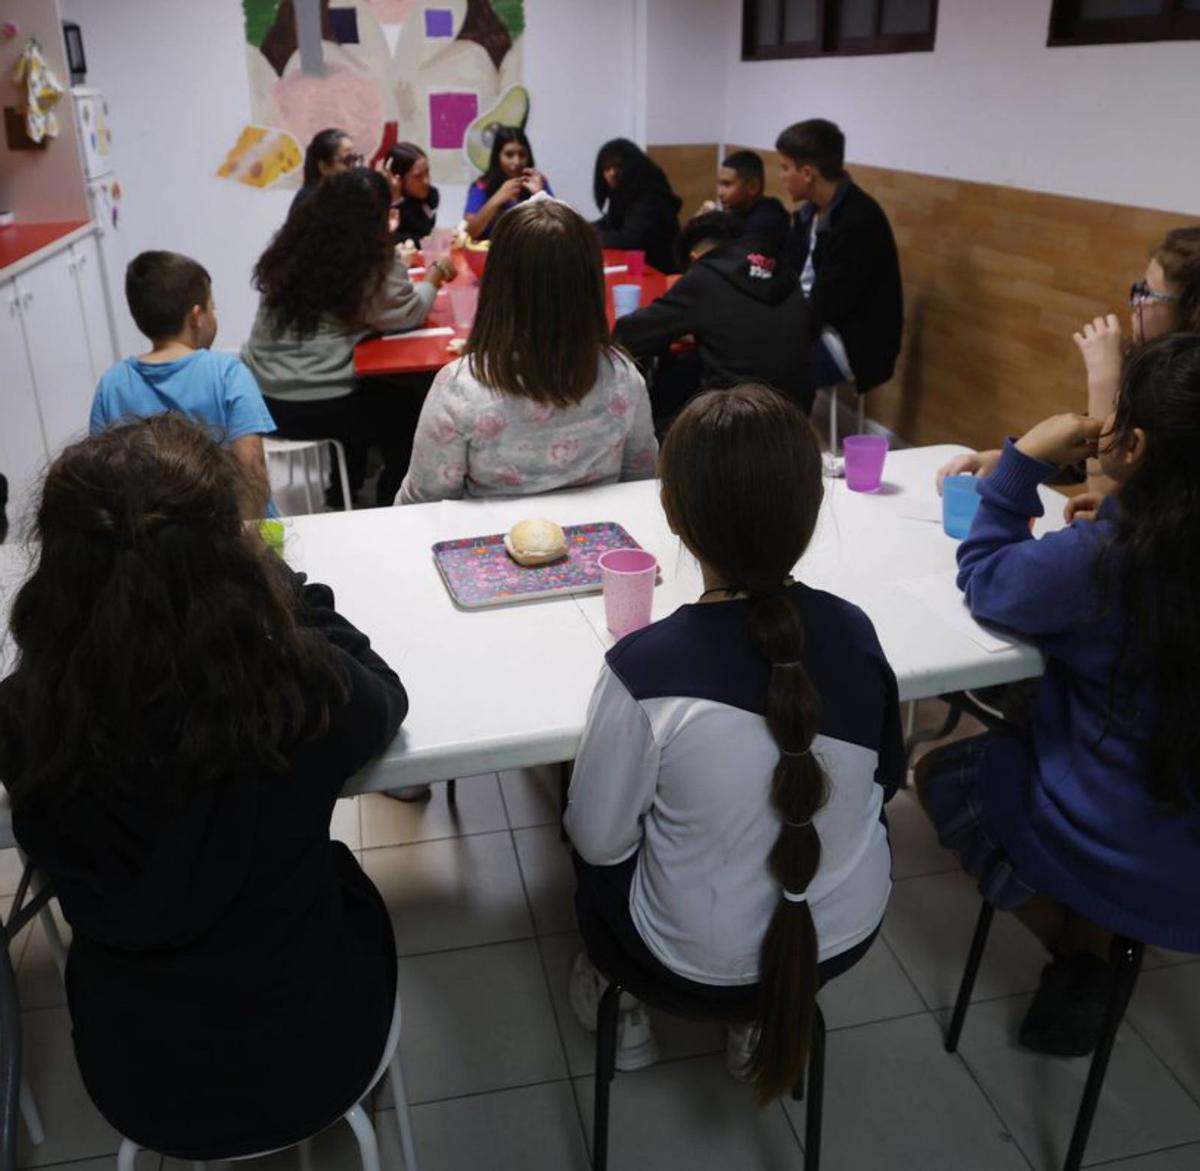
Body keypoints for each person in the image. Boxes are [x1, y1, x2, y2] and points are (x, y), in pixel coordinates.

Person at [0, 415, 407, 1159]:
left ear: (58, 567)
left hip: (137, 1079)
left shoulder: (29, 715)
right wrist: (289, 597)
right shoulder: (289, 688)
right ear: (227, 556)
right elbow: (387, 697)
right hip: (316, 1056)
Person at [563, 385, 903, 1094]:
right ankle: (757, 1021)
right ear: (810, 512)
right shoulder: (857, 633)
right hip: (839, 939)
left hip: (684, 964)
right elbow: (885, 785)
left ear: (673, 515)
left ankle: (621, 1004)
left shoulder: (643, 669)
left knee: (587, 848)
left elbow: (598, 843)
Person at [916, 334, 1200, 1057]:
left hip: (1121, 850)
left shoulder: (1107, 563)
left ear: (1130, 444)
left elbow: (984, 576)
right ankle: (1106, 938)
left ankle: (1084, 949)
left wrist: (1022, 467)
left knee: (939, 774)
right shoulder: (1118, 549)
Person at [397, 198, 657, 505]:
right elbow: (642, 481)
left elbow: (424, 502)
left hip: (486, 546)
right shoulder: (622, 376)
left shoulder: (461, 386)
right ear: (589, 284)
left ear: (497, 284)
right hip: (599, 543)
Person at [938, 225, 1200, 502]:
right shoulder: (1148, 365)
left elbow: (1107, 500)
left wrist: (1103, 379)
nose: (1136, 302)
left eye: (1149, 294)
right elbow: (1083, 449)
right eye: (1140, 288)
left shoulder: (1185, 401)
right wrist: (1010, 461)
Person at [243, 168, 456, 506]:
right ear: (378, 215)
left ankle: (343, 490)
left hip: (260, 397)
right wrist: (434, 274)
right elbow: (408, 312)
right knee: (410, 413)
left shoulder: (292, 246)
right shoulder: (368, 260)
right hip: (317, 404)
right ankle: (390, 507)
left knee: (369, 396)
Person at [90, 250, 276, 517]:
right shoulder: (227, 374)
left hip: (151, 537)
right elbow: (252, 465)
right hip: (223, 531)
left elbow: (99, 471)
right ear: (197, 316)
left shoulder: (112, 384)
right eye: (213, 307)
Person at [613, 211, 812, 425]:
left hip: (733, 424)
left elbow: (627, 335)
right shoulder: (784, 274)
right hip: (797, 420)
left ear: (693, 259)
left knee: (648, 423)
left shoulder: (705, 276)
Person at [776, 119, 903, 402]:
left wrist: (773, 327)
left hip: (852, 343)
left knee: (766, 365)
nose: (781, 176)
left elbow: (827, 307)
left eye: (785, 167)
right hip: (815, 321)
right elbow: (787, 275)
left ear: (807, 173)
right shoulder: (810, 213)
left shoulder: (857, 222)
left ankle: (788, 441)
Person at [592, 138, 683, 275]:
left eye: (618, 166)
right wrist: (585, 228)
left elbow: (630, 240)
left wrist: (593, 236)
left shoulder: (651, 196)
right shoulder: (622, 194)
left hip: (661, 273)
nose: (612, 173)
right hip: (641, 270)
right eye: (606, 169)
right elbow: (609, 222)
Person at [462, 126, 552, 241]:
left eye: (522, 154)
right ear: (497, 156)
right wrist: (497, 198)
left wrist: (540, 195)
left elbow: (556, 229)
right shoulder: (482, 186)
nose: (517, 162)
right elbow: (469, 233)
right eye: (509, 155)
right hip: (490, 255)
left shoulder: (539, 182)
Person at [697, 150, 789, 253]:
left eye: (727, 184)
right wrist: (700, 224)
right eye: (719, 184)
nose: (720, 192)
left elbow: (736, 259)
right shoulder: (737, 211)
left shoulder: (768, 221)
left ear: (753, 187)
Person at [291, 127, 361, 214]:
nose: (356, 166)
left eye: (356, 159)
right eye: (348, 160)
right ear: (324, 167)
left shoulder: (348, 196)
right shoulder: (312, 203)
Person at [385, 141, 440, 247]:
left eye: (427, 172)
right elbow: (394, 240)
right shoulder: (380, 204)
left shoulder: (430, 196)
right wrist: (396, 200)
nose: (426, 181)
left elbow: (423, 234)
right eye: (418, 176)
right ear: (398, 179)